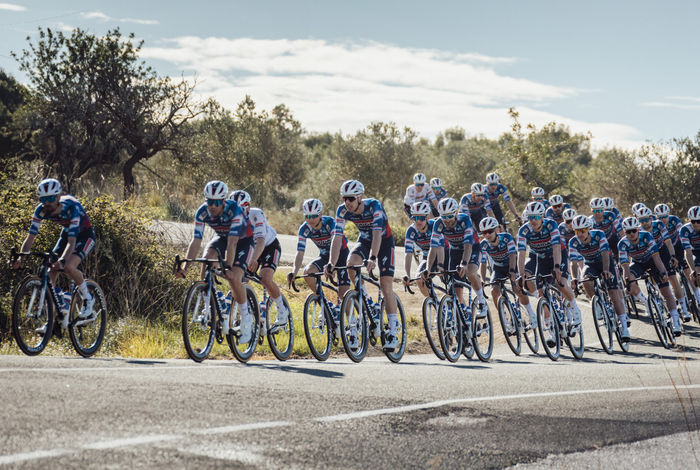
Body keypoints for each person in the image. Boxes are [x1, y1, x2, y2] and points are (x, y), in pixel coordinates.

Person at [175, 181, 255, 344]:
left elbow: (233, 243)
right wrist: (185, 267)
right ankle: (208, 305)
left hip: (243, 241)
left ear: (223, 201)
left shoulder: (235, 211)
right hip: (222, 238)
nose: (212, 205)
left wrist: (228, 266)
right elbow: (195, 240)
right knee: (206, 260)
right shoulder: (202, 212)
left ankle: (246, 319)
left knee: (234, 276)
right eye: (209, 201)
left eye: (216, 202)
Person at [327, 180, 400, 351]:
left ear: (360, 197)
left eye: (351, 199)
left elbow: (377, 234)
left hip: (384, 243)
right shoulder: (342, 210)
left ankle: (393, 332)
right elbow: (337, 238)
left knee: (385, 285)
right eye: (344, 198)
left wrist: (373, 257)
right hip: (365, 241)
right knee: (350, 264)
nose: (347, 202)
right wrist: (331, 262)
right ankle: (368, 300)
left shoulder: (374, 206)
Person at [13, 178, 97, 325]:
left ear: (58, 197)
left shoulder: (72, 207)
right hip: (67, 234)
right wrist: (21, 258)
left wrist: (63, 260)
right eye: (43, 199)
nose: (47, 203)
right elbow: (30, 238)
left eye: (50, 198)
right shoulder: (41, 210)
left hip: (84, 235)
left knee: (69, 266)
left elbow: (72, 242)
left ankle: (88, 300)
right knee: (50, 270)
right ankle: (60, 310)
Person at [517, 201, 581, 346]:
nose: (533, 220)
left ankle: (575, 309)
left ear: (542, 217)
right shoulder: (523, 230)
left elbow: (557, 247)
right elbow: (521, 254)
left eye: (536, 217)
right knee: (541, 294)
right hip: (538, 258)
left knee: (561, 284)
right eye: (530, 217)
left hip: (557, 255)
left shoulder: (551, 225)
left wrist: (557, 267)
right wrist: (521, 275)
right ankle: (551, 331)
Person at [230, 190, 291, 330]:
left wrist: (254, 259)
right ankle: (247, 314)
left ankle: (282, 311)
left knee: (265, 278)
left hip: (269, 246)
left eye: (242, 209)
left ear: (248, 207)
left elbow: (261, 241)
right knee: (240, 280)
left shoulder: (256, 214)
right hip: (250, 248)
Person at [569, 215, 630, 340]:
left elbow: (605, 254)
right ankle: (596, 303)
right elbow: (573, 263)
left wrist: (606, 270)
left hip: (605, 263)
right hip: (590, 264)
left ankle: (624, 327)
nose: (579, 234)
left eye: (582, 231)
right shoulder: (573, 242)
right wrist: (574, 278)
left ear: (588, 229)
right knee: (585, 280)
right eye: (576, 231)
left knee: (613, 293)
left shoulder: (599, 235)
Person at [618, 216, 681, 336]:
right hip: (637, 263)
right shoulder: (622, 244)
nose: (631, 234)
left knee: (666, 291)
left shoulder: (647, 236)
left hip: (652, 261)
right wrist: (627, 283)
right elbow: (625, 267)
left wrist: (663, 272)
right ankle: (647, 301)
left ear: (638, 229)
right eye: (628, 232)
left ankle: (675, 321)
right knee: (630, 276)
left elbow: (656, 257)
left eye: (634, 231)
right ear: (624, 232)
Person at [427, 197, 485, 313]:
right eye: (443, 216)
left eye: (449, 216)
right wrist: (428, 269)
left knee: (469, 271)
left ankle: (482, 301)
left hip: (472, 248)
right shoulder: (438, 223)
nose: (447, 220)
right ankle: (462, 307)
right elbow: (433, 248)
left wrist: (464, 263)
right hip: (455, 251)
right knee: (455, 280)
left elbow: (468, 245)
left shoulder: (464, 219)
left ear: (456, 213)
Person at [289, 198, 350, 306]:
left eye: (314, 216)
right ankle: (327, 305)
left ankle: (352, 321)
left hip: (341, 255)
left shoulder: (330, 223)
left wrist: (332, 264)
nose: (311, 220)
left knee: (343, 294)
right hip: (325, 256)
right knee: (308, 272)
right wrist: (294, 271)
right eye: (307, 216)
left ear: (320, 214)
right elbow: (300, 252)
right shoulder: (304, 229)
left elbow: (337, 243)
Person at [479, 216, 536, 329]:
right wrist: (482, 279)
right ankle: (505, 321)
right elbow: (483, 263)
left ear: (496, 230)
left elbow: (512, 255)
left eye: (490, 231)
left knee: (517, 289)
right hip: (498, 268)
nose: (487, 235)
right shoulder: (483, 245)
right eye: (484, 233)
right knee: (494, 291)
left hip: (512, 265)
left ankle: (531, 315)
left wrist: (512, 272)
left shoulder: (506, 237)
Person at [635, 205, 688, 321]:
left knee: (673, 278)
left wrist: (672, 256)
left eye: (647, 219)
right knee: (657, 281)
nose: (644, 222)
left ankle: (684, 310)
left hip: (663, 253)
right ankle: (666, 300)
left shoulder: (659, 224)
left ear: (651, 218)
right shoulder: (637, 231)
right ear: (638, 220)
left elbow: (668, 242)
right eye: (641, 220)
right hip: (650, 257)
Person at [402, 201, 444, 297]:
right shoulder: (411, 231)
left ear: (427, 217)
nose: (418, 221)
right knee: (418, 279)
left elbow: (440, 247)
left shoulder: (434, 226)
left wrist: (440, 265)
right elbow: (408, 254)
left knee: (448, 280)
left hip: (444, 254)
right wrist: (407, 275)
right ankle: (434, 303)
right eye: (415, 218)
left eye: (421, 218)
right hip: (427, 257)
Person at [680, 206, 700, 305]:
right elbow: (688, 252)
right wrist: (692, 270)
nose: (696, 224)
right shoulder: (684, 230)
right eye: (693, 221)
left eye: (698, 221)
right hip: (694, 252)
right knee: (697, 274)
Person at [558, 208, 584, 284]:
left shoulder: (580, 225)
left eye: (572, 221)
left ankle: (584, 278)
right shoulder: (561, 227)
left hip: (579, 245)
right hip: (568, 246)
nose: (570, 224)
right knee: (569, 261)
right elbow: (561, 243)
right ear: (563, 220)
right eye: (567, 221)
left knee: (581, 260)